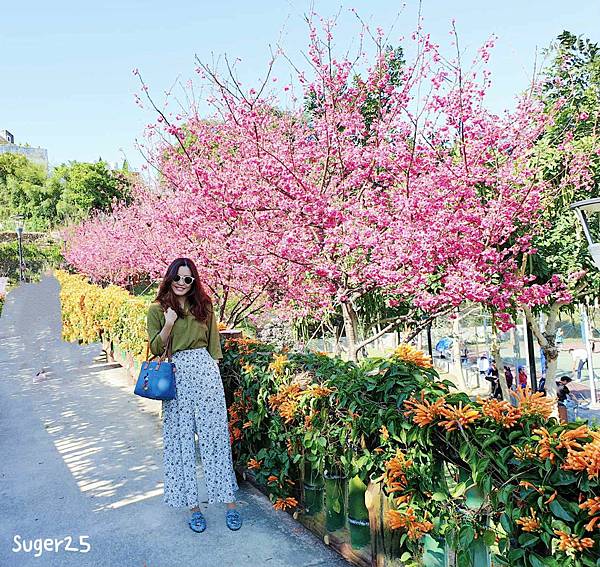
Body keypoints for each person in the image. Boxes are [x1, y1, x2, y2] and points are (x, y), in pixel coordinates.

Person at [146, 258, 241, 533]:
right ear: (169, 277)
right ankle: (193, 507)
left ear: (193, 281)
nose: (181, 283)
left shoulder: (204, 306)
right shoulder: (157, 309)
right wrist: (168, 324)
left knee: (216, 438)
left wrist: (213, 369)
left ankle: (230, 503)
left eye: (188, 279)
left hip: (205, 373)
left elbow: (214, 344)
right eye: (177, 277)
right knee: (181, 441)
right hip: (176, 375)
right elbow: (155, 347)